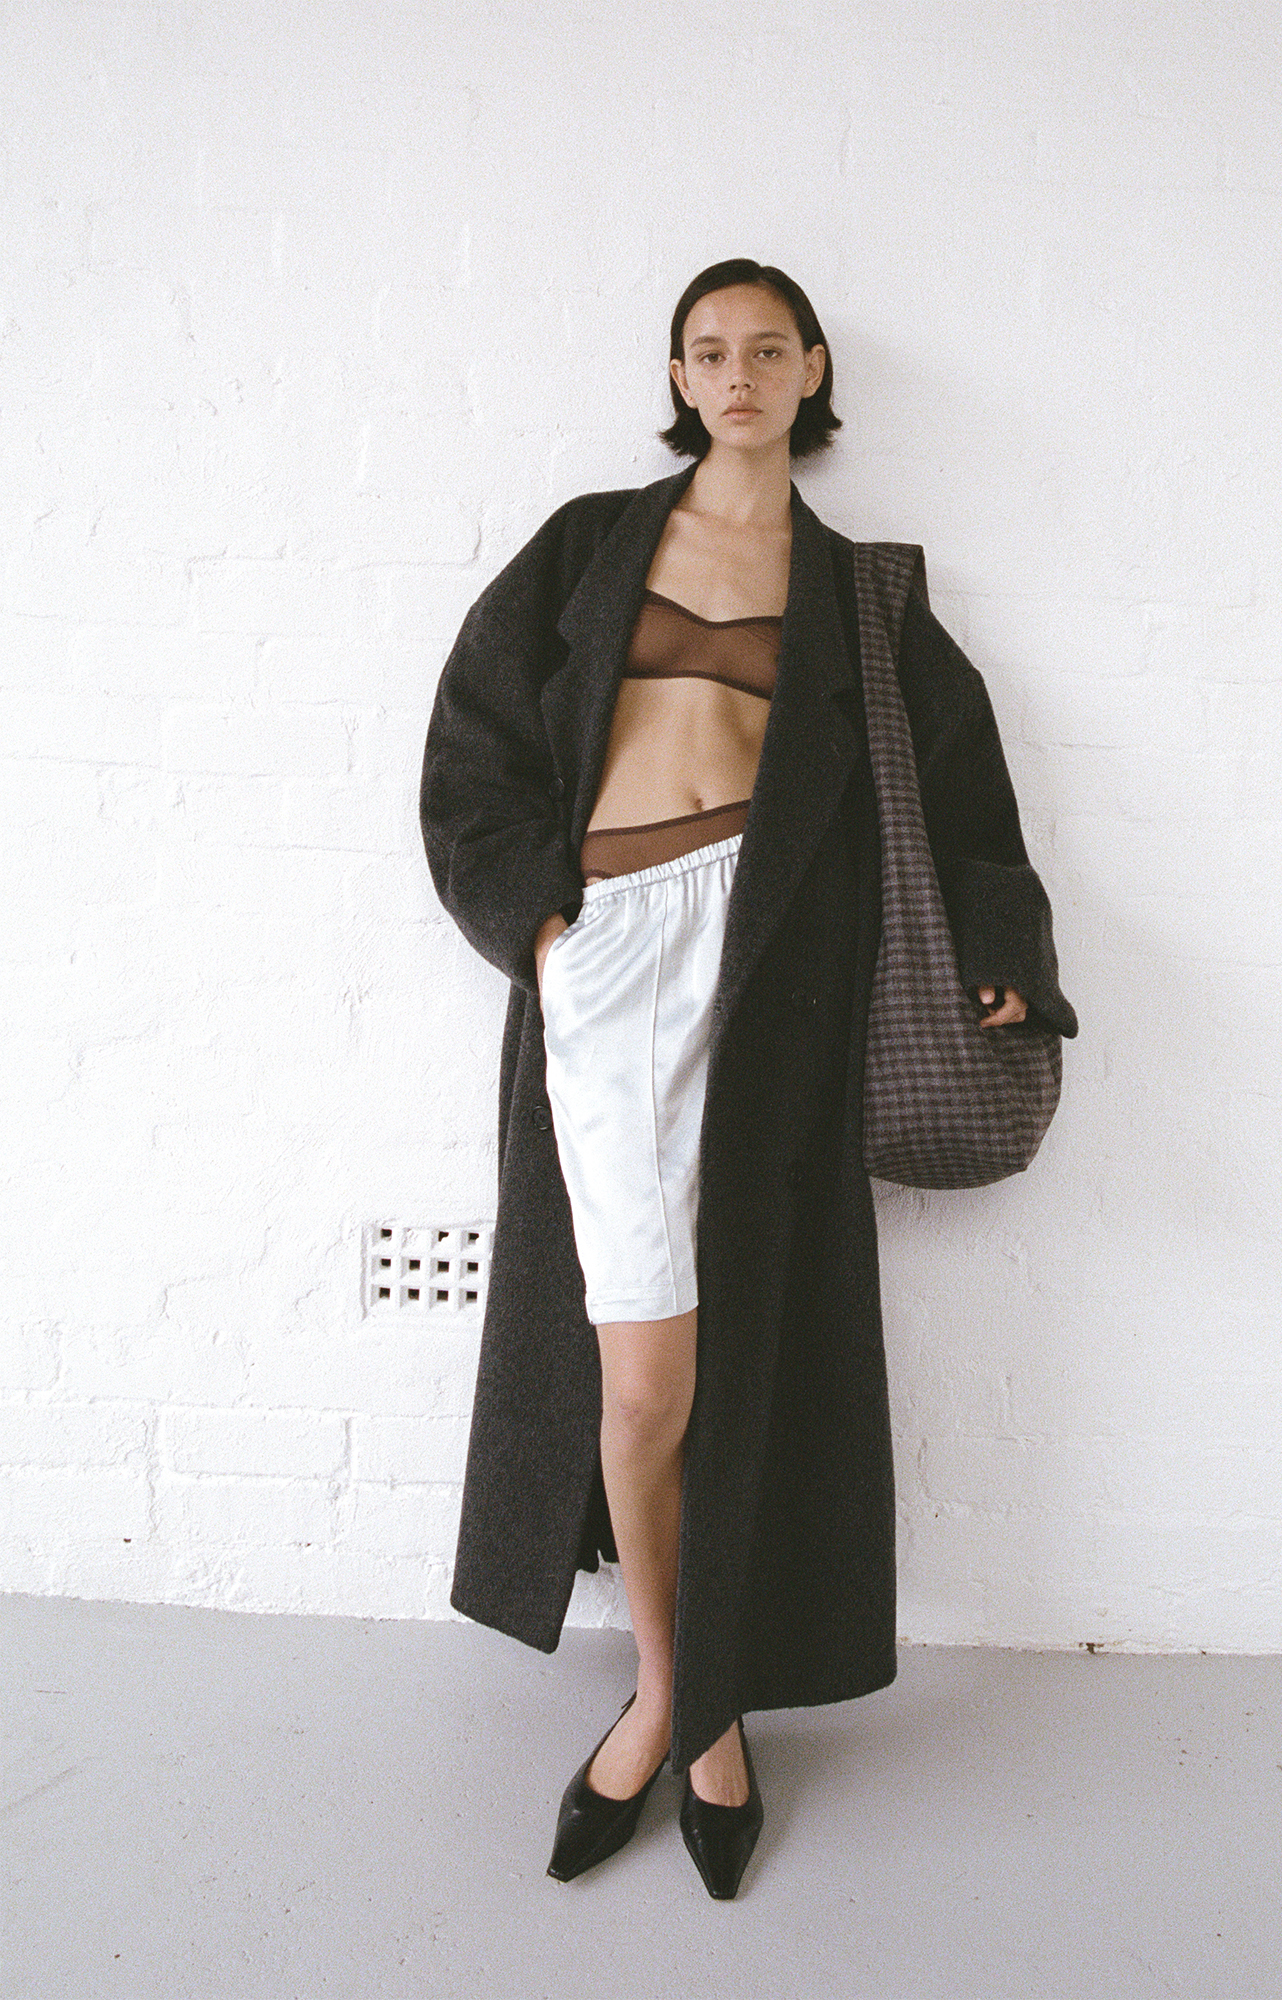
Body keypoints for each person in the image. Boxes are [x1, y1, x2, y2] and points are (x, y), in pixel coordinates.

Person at [418, 258, 1076, 1899]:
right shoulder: (588, 546)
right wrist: (544, 930)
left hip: (780, 976)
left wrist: (1005, 949)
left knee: (750, 1358)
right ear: (679, 376)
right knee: (641, 1386)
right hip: (608, 961)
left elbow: (966, 790)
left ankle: (696, 1713)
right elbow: (473, 752)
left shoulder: (863, 596)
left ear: (812, 372)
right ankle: (667, 1681)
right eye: (709, 350)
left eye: (767, 348)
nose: (737, 372)